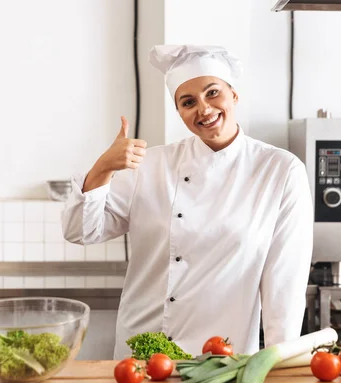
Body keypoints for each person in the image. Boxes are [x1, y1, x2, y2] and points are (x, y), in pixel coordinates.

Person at [62, 44, 313, 360]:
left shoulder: (279, 170)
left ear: (234, 95)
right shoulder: (150, 165)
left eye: (213, 93)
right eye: (188, 102)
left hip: (223, 356)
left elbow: (284, 283)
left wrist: (279, 364)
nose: (204, 108)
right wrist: (103, 167)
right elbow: (80, 231)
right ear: (179, 112)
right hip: (141, 350)